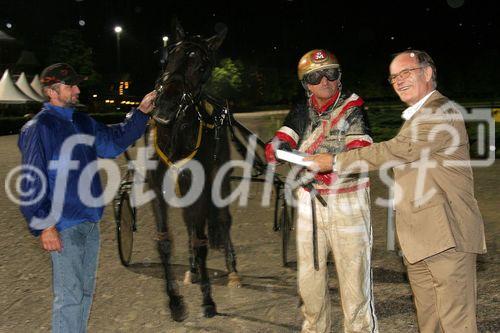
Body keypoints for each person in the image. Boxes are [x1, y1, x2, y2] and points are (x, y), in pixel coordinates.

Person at [306, 50, 486, 333]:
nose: (399, 81)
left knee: (456, 323)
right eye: (394, 77)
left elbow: (398, 150)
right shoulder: (417, 116)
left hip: (448, 235)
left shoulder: (441, 111)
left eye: (406, 73)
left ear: (427, 73)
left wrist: (335, 160)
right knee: (430, 322)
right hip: (421, 240)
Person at [18, 63, 156, 333]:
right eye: (71, 85)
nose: (78, 90)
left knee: (83, 293)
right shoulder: (38, 128)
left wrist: (140, 113)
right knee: (69, 297)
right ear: (52, 91)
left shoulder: (82, 122)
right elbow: (31, 182)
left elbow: (113, 141)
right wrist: (45, 225)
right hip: (62, 225)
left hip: (90, 222)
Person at [265, 49, 378, 333]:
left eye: (331, 73)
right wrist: (277, 147)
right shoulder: (303, 107)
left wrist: (325, 162)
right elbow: (282, 138)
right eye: (315, 76)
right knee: (309, 281)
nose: (324, 81)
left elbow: (360, 152)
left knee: (354, 283)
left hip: (347, 201)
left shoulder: (353, 108)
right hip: (309, 202)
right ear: (306, 83)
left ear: (340, 77)